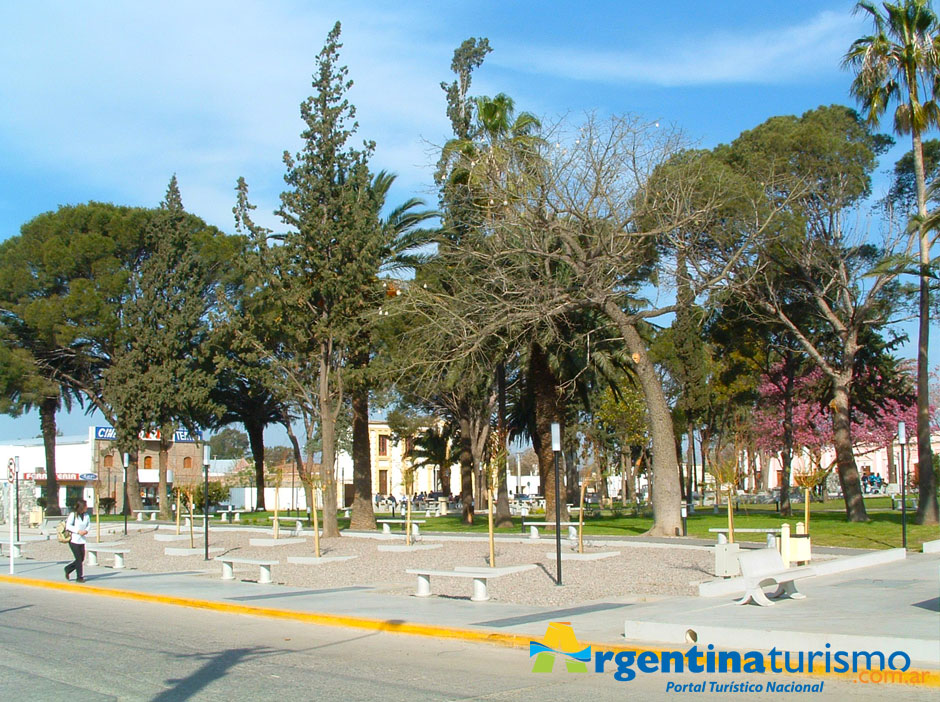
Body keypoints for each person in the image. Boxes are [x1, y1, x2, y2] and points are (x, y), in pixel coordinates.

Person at [64, 499, 90, 583]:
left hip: (82, 540)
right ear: (82, 507)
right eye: (85, 506)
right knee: (78, 559)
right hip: (73, 540)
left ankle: (68, 569)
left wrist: (86, 530)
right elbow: (68, 526)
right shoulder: (73, 515)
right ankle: (79, 577)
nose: (87, 507)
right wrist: (78, 531)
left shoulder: (86, 515)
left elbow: (89, 524)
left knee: (82, 558)